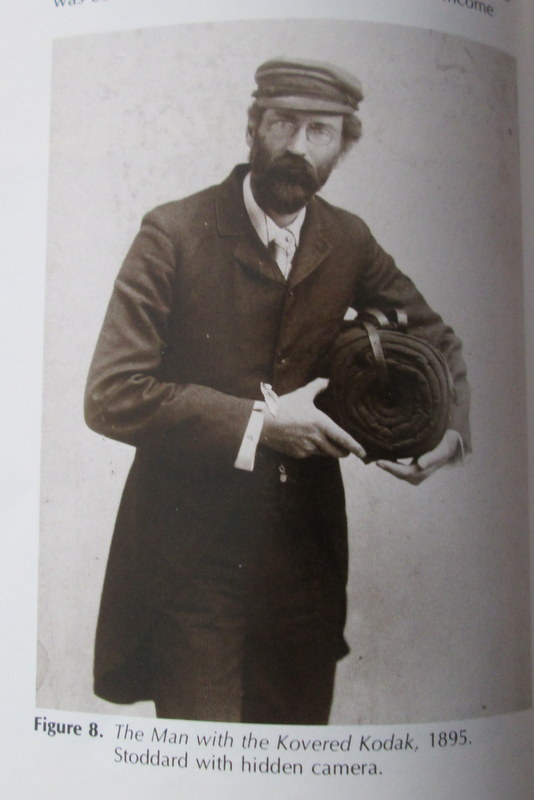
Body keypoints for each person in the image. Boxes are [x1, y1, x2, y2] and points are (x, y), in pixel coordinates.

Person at [85, 58, 470, 724]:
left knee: (295, 759)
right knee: (204, 764)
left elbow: (438, 340)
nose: (298, 145)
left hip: (303, 566)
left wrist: (450, 432)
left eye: (320, 131)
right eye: (283, 123)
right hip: (192, 561)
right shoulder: (172, 232)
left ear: (343, 148)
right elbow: (111, 392)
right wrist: (261, 424)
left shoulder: (347, 238)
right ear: (251, 128)